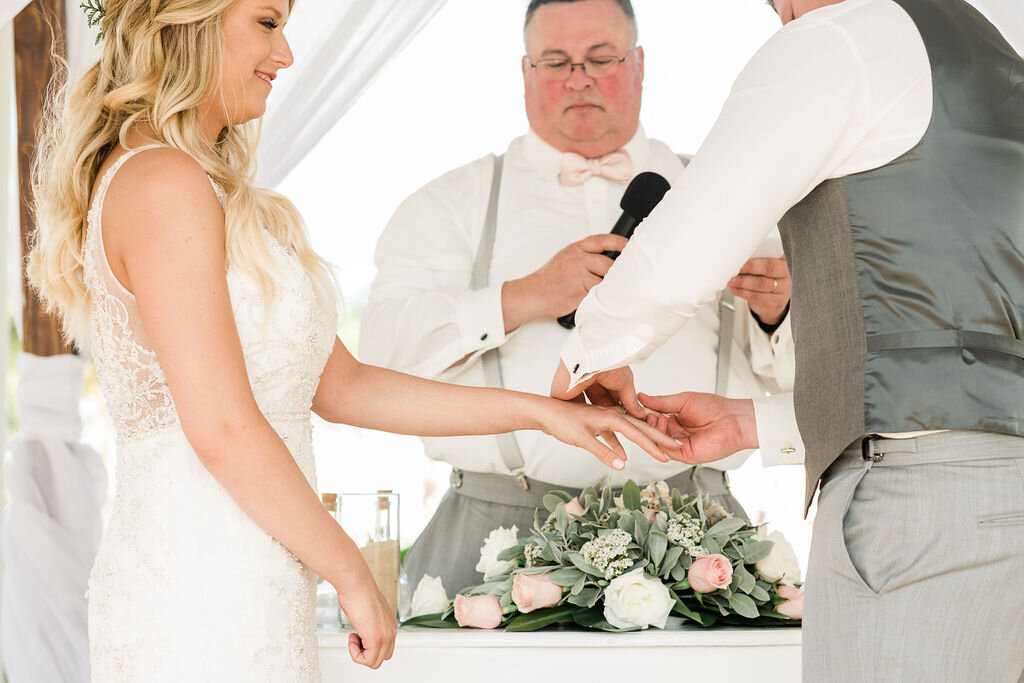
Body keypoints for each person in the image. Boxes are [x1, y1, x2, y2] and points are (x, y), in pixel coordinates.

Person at [26, 0, 679, 679]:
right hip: (198, 581)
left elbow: (346, 386)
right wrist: (350, 569)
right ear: (189, 20)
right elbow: (219, 424)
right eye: (267, 24)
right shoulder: (162, 181)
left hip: (252, 571)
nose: (285, 56)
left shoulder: (218, 194)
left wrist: (546, 413)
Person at [551, 0, 1024, 680]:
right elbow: (969, 351)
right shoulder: (992, 52)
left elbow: (679, 256)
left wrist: (585, 355)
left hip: (917, 511)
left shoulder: (836, 40)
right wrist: (762, 422)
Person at [360, 0, 795, 594]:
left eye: (600, 58)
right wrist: (522, 296)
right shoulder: (447, 205)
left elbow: (811, 376)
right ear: (525, 72)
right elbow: (379, 355)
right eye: (556, 61)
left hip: (699, 538)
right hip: (494, 531)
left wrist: (778, 313)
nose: (578, 79)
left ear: (640, 64)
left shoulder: (728, 197)